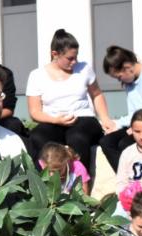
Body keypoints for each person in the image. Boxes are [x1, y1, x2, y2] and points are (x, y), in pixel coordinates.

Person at [26, 29, 115, 179]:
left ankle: (80, 184)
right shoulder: (37, 75)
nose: (74, 62)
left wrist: (105, 119)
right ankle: (45, 183)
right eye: (70, 58)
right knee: (38, 136)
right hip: (53, 121)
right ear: (55, 54)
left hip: (83, 119)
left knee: (77, 138)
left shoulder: (84, 69)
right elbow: (35, 112)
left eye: (76, 57)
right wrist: (56, 120)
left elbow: (97, 94)